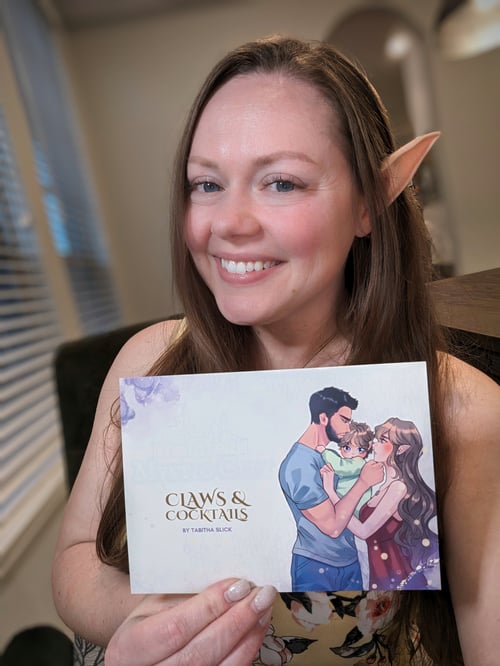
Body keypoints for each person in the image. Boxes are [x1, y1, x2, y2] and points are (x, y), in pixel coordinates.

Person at [51, 35, 500, 666]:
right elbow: (75, 560)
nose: (228, 223)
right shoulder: (148, 363)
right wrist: (159, 626)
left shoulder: (459, 409)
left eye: (281, 182)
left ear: (369, 203)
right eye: (207, 184)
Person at [278, 388, 383, 591]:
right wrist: (363, 483)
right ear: (323, 418)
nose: (349, 427)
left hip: (349, 560)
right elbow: (333, 527)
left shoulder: (324, 455)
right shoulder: (299, 465)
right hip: (317, 564)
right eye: (344, 420)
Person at [321, 418, 440, 592]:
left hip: (397, 578)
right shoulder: (383, 485)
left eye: (382, 440)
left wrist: (331, 493)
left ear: (401, 449)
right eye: (376, 440)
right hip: (382, 575)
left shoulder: (398, 487)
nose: (374, 445)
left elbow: (364, 531)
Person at [322, 420, 375, 515]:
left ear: (368, 448)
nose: (353, 453)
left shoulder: (359, 462)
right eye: (347, 448)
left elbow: (340, 466)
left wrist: (324, 452)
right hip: (344, 503)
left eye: (360, 449)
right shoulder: (350, 461)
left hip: (355, 508)